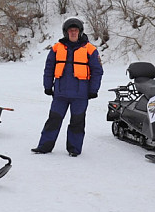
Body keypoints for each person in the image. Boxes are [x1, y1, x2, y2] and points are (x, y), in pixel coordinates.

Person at [32, 17, 103, 157]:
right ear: (66, 32)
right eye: (71, 31)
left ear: (80, 32)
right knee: (53, 120)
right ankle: (44, 147)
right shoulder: (56, 48)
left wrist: (93, 90)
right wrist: (47, 86)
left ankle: (74, 149)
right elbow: (49, 68)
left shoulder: (90, 49)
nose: (73, 33)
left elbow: (97, 71)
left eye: (75, 31)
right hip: (60, 94)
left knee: (77, 122)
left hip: (80, 95)